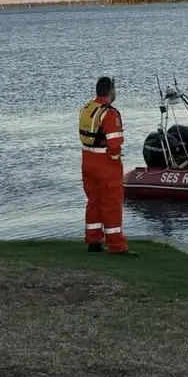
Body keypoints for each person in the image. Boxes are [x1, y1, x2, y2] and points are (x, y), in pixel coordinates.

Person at [79, 76, 129, 254]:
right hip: (105, 165)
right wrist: (115, 159)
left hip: (87, 161)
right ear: (110, 91)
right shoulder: (109, 113)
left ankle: (93, 241)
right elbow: (114, 144)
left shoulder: (87, 108)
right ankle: (116, 245)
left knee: (93, 201)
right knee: (111, 203)